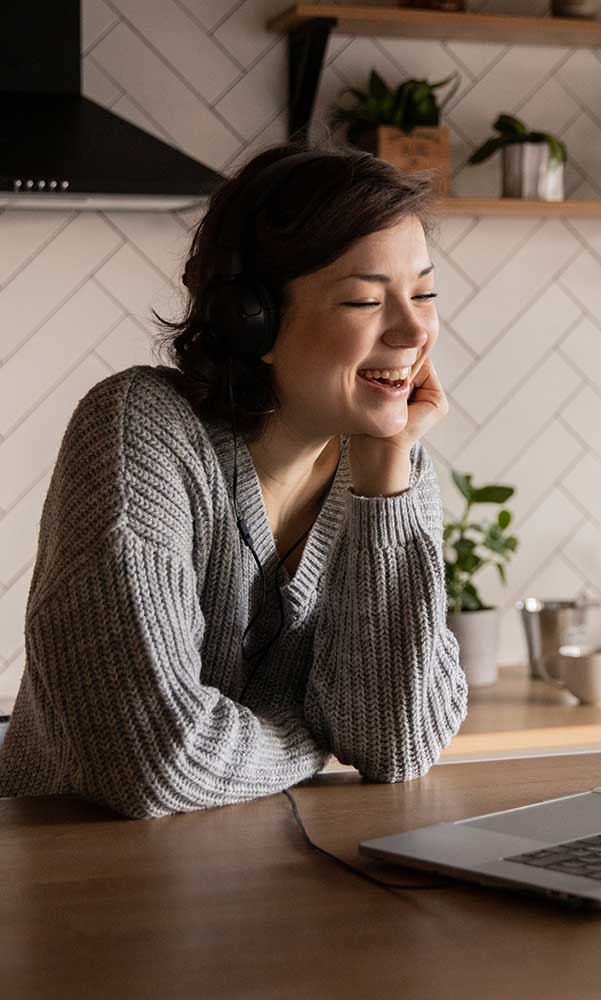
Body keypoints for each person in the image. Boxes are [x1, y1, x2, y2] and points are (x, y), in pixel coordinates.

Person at [0, 142, 469, 819]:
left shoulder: (387, 464)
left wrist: (386, 484)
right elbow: (155, 761)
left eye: (424, 293)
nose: (412, 331)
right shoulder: (141, 429)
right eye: (366, 301)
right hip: (81, 885)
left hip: (263, 882)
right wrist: (309, 736)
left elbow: (397, 743)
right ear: (254, 323)